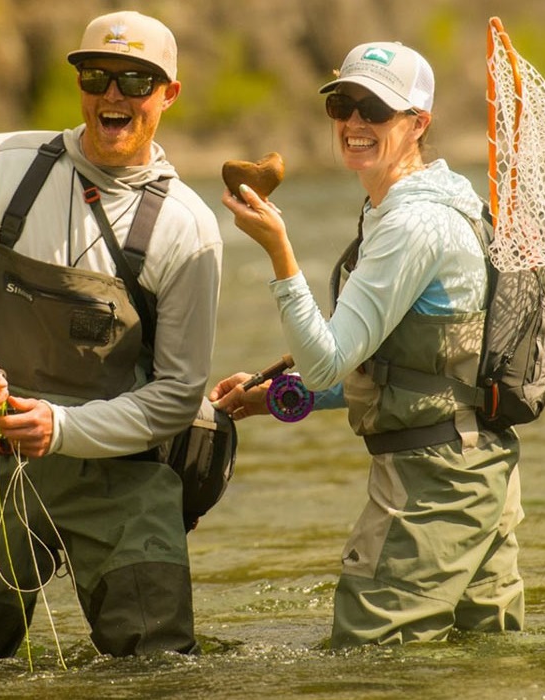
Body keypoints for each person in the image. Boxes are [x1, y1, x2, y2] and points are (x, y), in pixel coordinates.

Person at [0, 11, 222, 658]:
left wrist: (62, 428)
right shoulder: (1, 165)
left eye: (136, 80)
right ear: (78, 81)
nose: (114, 94)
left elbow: (177, 398)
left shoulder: (189, 229)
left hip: (123, 481)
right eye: (97, 74)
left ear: (168, 94)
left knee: (159, 674)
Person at [211, 41, 525, 647]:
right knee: (482, 665)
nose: (354, 122)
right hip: (478, 469)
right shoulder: (433, 202)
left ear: (418, 123)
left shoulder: (412, 224)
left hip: (432, 482)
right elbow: (397, 367)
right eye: (343, 104)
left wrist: (280, 254)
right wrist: (275, 396)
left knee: (370, 659)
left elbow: (328, 358)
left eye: (376, 109)